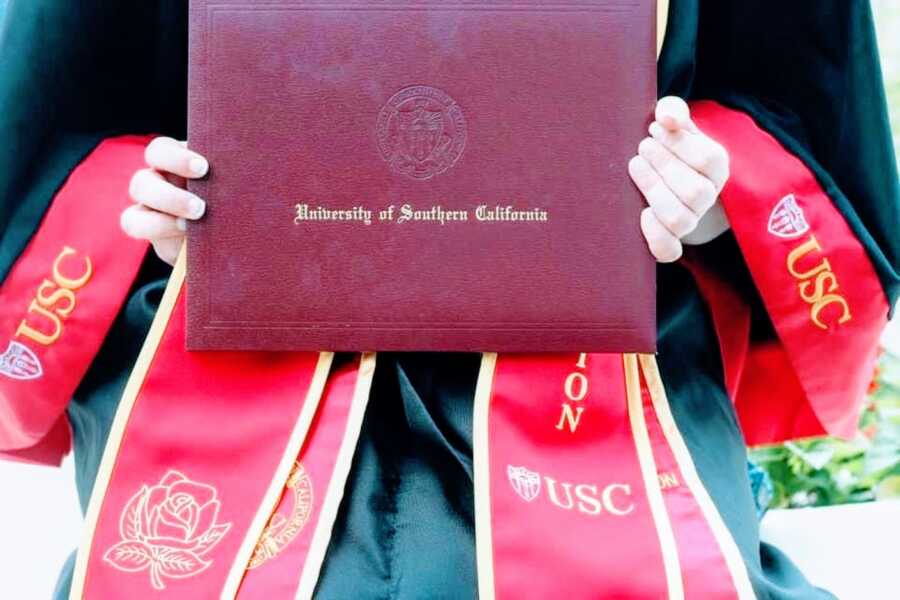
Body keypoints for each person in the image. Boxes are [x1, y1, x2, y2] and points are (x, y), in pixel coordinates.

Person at [0, 1, 897, 598]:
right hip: (250, 340)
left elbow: (791, 99)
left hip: (597, 347)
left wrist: (702, 192)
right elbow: (62, 114)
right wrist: (157, 203)